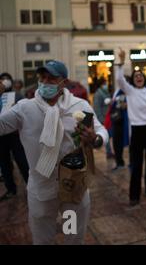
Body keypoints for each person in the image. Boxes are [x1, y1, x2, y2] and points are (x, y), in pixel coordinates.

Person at [0, 61, 108, 244]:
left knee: (72, 237)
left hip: (72, 191)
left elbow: (102, 130)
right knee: (43, 240)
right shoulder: (25, 108)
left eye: (52, 78)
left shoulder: (79, 106)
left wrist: (95, 139)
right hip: (41, 192)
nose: (45, 82)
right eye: (43, 77)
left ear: (63, 82)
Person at [115, 52, 146, 205]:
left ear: (144, 77)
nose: (139, 77)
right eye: (136, 76)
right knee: (136, 164)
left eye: (141, 75)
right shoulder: (130, 91)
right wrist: (121, 62)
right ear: (133, 80)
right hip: (137, 131)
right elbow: (119, 79)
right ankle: (134, 196)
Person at [0, 73, 29, 201]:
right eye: (2, 80)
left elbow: (25, 112)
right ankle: (11, 188)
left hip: (14, 135)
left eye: (7, 80)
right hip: (1, 137)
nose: (5, 82)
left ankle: (30, 185)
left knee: (21, 160)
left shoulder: (17, 95)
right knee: (4, 163)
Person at [105, 86, 129, 170]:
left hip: (120, 120)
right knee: (116, 142)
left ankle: (121, 163)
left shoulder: (123, 91)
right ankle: (119, 162)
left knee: (118, 142)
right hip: (116, 119)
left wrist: (116, 102)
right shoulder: (118, 90)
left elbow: (122, 105)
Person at [93, 77, 114, 159]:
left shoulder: (105, 92)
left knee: (110, 134)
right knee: (107, 135)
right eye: (104, 83)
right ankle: (108, 152)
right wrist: (101, 119)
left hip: (109, 117)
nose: (106, 85)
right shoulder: (98, 94)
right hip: (104, 119)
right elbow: (96, 108)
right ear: (101, 84)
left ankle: (109, 151)